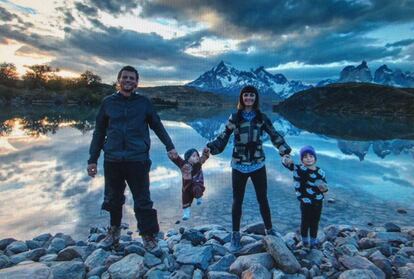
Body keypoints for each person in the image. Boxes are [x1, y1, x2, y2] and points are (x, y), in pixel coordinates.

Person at [87, 65, 177, 250]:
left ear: (137, 82)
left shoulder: (144, 103)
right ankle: (113, 232)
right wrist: (92, 159)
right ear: (118, 80)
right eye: (125, 77)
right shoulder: (108, 103)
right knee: (113, 198)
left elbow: (157, 126)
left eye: (132, 78)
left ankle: (148, 235)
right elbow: (99, 132)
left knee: (143, 199)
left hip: (138, 159)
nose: (128, 81)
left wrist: (170, 146)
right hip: (112, 159)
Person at [206, 85, 291, 252]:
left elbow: (274, 135)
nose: (249, 98)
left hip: (258, 162)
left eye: (252, 95)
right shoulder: (235, 117)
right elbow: (224, 136)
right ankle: (235, 235)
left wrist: (284, 151)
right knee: (237, 200)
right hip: (239, 163)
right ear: (241, 98)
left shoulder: (262, 117)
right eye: (246, 96)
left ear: (255, 98)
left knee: (262, 198)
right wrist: (211, 148)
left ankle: (270, 230)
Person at [282, 145, 328, 249]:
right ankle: (304, 241)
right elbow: (289, 165)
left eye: (311, 156)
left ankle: (313, 241)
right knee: (305, 221)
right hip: (305, 201)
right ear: (302, 159)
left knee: (315, 222)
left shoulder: (320, 172)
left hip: (318, 201)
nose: (308, 158)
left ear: (315, 158)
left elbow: (324, 186)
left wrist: (324, 189)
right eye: (305, 157)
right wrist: (286, 158)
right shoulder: (299, 169)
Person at [169, 147, 210, 220]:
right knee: (185, 198)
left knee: (197, 188)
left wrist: (206, 152)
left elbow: (204, 157)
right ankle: (186, 214)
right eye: (194, 156)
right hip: (187, 186)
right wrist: (171, 153)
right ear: (188, 158)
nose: (197, 157)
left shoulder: (199, 163)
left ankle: (199, 198)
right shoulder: (184, 165)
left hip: (197, 182)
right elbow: (177, 159)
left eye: (197, 155)